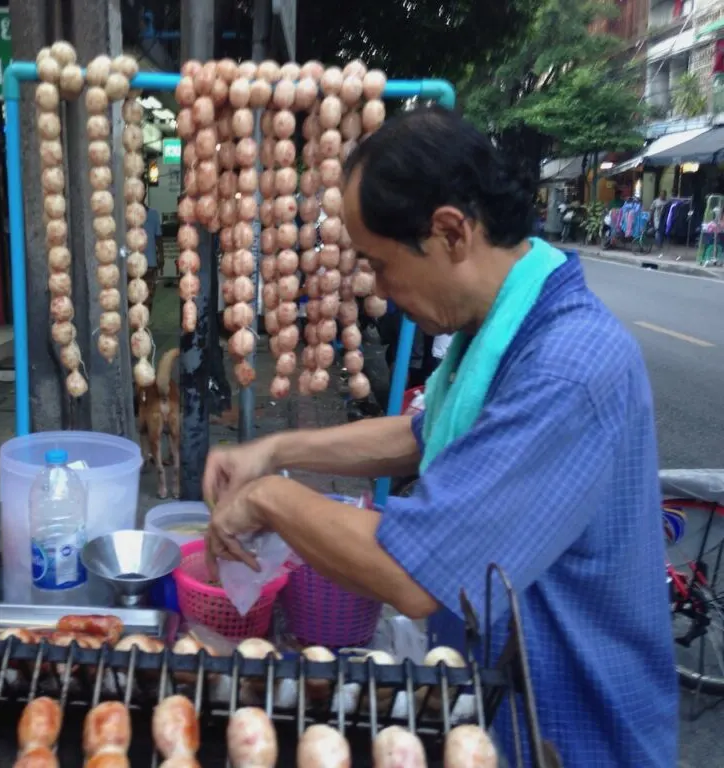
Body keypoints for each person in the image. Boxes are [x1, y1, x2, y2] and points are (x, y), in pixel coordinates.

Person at [201, 107, 676, 766]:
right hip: (496, 703)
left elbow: (411, 571)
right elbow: (425, 434)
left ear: (450, 231)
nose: (383, 290)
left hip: (570, 729)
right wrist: (275, 451)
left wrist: (269, 500)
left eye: (381, 263)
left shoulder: (567, 366)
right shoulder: (506, 324)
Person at [142, 194, 163, 311]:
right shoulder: (128, 215)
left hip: (150, 262)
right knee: (135, 295)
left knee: (149, 295)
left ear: (144, 193)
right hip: (132, 264)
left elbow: (158, 238)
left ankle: (145, 322)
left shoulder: (153, 214)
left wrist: (161, 256)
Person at [651, 190, 669, 258]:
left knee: (661, 231)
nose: (662, 196)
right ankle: (658, 244)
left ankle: (660, 243)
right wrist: (650, 218)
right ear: (659, 195)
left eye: (664, 195)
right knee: (658, 230)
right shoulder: (656, 201)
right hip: (657, 218)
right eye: (661, 194)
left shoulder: (667, 202)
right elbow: (652, 209)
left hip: (664, 219)